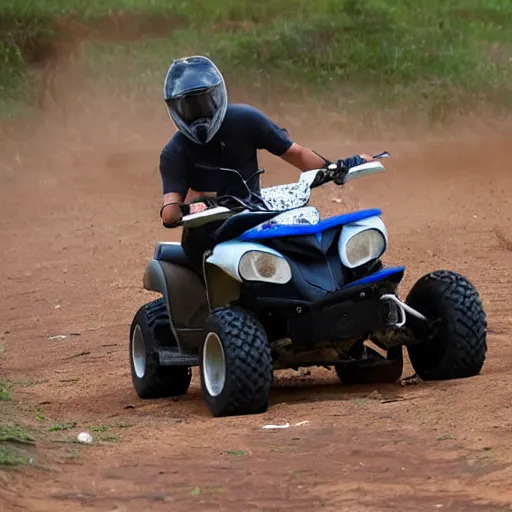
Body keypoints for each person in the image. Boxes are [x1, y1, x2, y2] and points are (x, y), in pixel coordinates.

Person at [158, 55, 373, 265]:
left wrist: (339, 168)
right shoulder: (177, 150)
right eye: (189, 107)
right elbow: (170, 213)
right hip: (208, 237)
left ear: (216, 96)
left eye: (203, 103)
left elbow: (295, 153)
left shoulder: (244, 121)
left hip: (254, 219)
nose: (199, 114)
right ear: (175, 110)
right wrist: (196, 206)